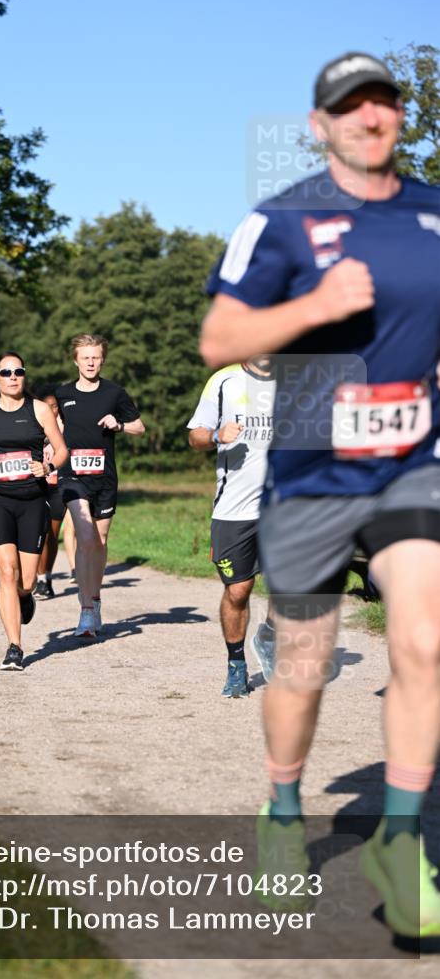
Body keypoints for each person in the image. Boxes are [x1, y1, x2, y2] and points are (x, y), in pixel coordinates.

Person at [200, 52, 440, 936]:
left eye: (383, 101)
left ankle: (401, 837)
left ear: (397, 116)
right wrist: (310, 308)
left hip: (413, 461)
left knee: (425, 636)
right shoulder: (281, 221)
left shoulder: (431, 212)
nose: (369, 115)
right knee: (302, 664)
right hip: (310, 473)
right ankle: (283, 808)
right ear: (320, 124)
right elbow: (220, 334)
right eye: (350, 105)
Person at [0, 352, 68, 671]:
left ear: (24, 376)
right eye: (5, 372)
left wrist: (47, 464)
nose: (12, 377)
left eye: (18, 371)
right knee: (6, 571)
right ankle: (14, 647)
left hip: (33, 502)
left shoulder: (38, 409)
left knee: (26, 582)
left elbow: (62, 450)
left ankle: (25, 597)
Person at [188, 357, 277, 697]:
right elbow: (195, 437)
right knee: (238, 591)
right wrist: (216, 435)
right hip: (234, 509)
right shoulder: (223, 381)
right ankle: (236, 664)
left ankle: (269, 634)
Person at [56, 334, 145, 638]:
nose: (91, 362)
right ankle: (85, 610)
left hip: (104, 478)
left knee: (100, 540)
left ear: (102, 359)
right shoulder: (63, 394)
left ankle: (95, 597)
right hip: (72, 475)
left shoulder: (115, 393)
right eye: (85, 357)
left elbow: (139, 427)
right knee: (84, 536)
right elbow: (54, 428)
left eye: (95, 357)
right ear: (76, 360)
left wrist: (118, 424)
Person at [33, 385, 72, 601]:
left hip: (58, 486)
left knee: (51, 535)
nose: (52, 410)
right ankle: (35, 577)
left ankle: (45, 578)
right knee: (37, 533)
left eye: (55, 406)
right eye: (47, 406)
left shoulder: (67, 427)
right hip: (38, 487)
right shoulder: (33, 426)